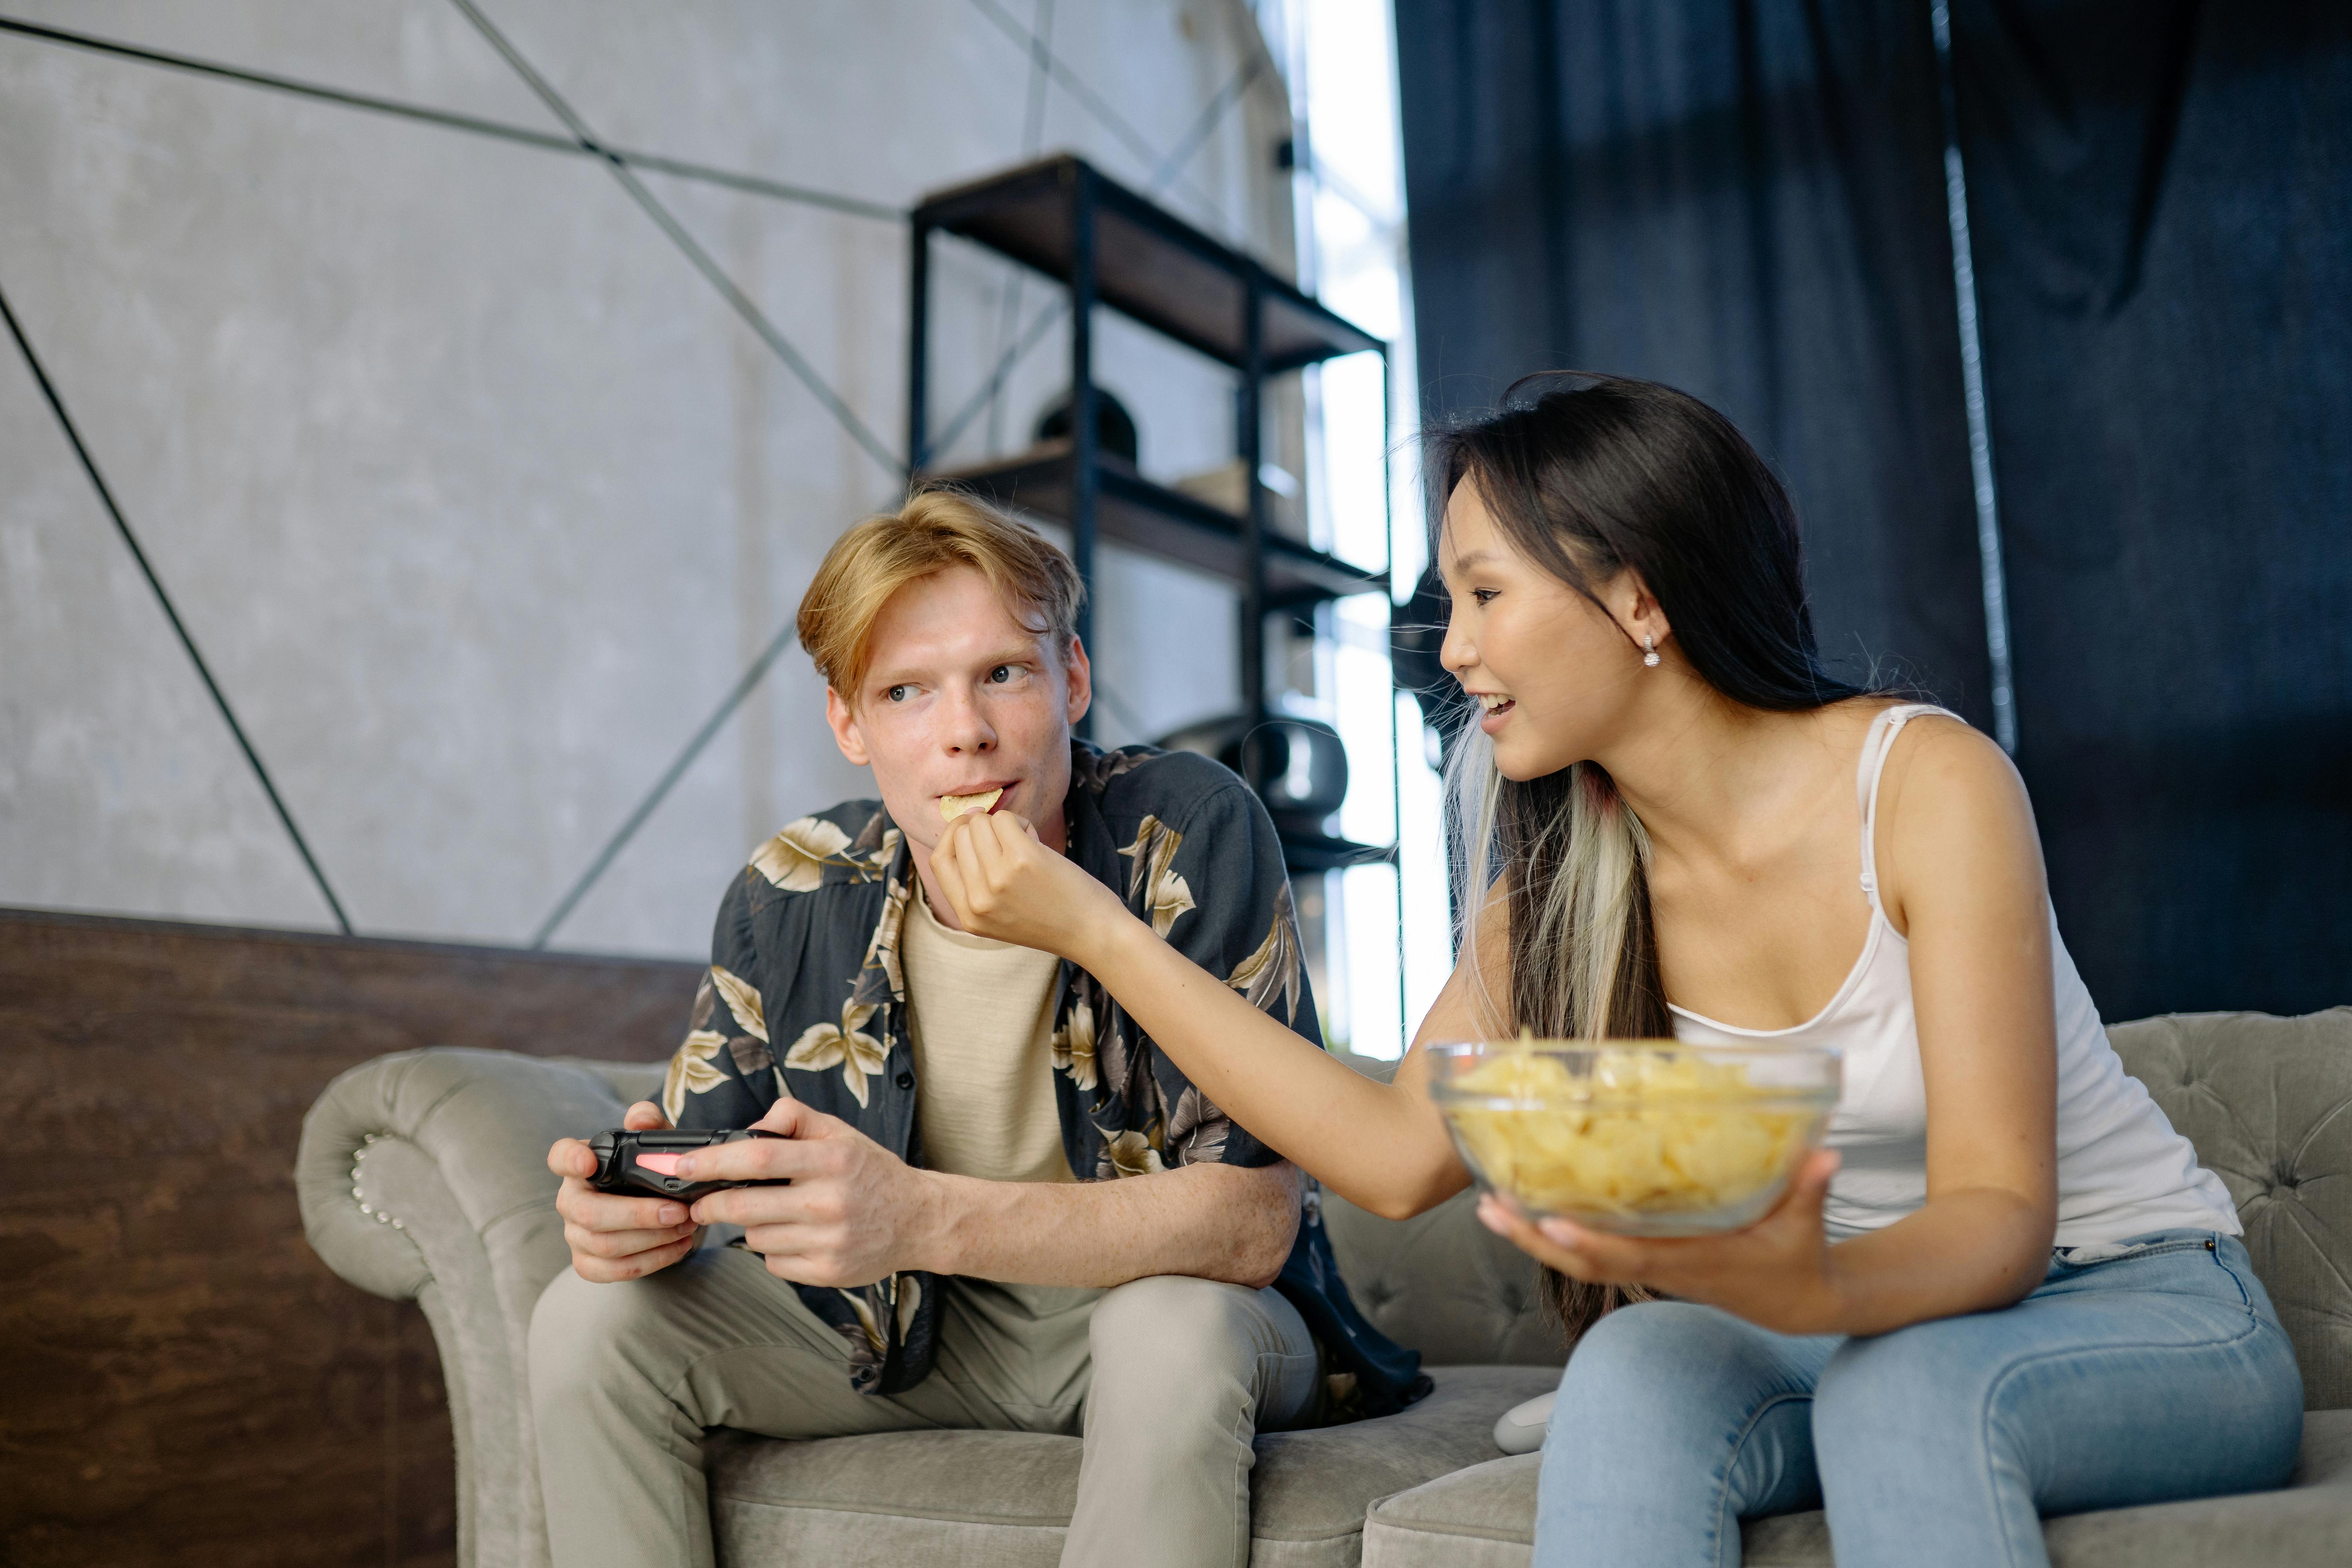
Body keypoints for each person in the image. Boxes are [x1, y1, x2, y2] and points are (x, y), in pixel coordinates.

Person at [931, 376, 2304, 1567]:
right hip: (1839, 1328)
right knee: (1636, 1369)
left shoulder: (1923, 784)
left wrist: (1798, 1289)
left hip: (2123, 1298)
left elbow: (2001, 1215)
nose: (1453, 648)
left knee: (1901, 1396)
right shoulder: (1554, 908)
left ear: (1637, 595)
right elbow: (1396, 1156)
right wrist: (1097, 929)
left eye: (1484, 594)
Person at [529, 490, 1422, 1568]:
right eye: (907, 692)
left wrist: (918, 1217)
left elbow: (1248, 1227)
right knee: (589, 1323)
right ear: (849, 724)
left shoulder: (1185, 826)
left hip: (1158, 1321)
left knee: (1168, 1333)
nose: (967, 734)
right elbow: (716, 1164)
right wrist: (639, 1215)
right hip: (910, 1334)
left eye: (1004, 673)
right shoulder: (792, 889)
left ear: (1073, 680)